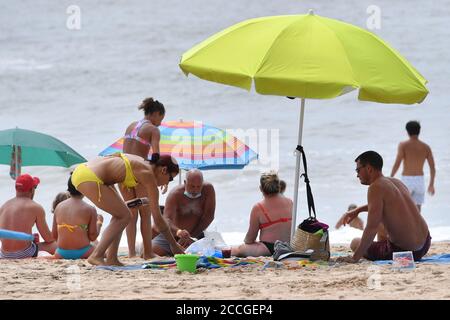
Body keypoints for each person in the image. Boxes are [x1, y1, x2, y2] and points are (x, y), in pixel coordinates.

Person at [70, 153, 184, 266]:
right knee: (124, 216)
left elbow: (113, 158)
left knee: (121, 214)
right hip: (89, 177)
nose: (166, 184)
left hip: (85, 170)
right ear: (163, 170)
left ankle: (112, 258)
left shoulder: (140, 160)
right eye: (170, 179)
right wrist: (174, 246)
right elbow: (158, 220)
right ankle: (97, 255)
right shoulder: (147, 174)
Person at [337, 151, 431, 263]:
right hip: (425, 243)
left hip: (405, 252)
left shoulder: (375, 187)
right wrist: (358, 210)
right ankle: (384, 246)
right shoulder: (395, 182)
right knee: (381, 222)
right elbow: (387, 205)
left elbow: (371, 227)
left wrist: (354, 258)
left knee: (355, 243)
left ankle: (383, 249)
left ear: (368, 168)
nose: (357, 175)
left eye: (358, 170)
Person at [120, 97, 165, 258]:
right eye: (161, 118)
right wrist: (159, 178)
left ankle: (131, 253)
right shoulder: (153, 130)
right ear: (156, 114)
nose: (160, 123)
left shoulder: (130, 126)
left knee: (130, 214)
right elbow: (156, 156)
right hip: (138, 170)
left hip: (122, 170)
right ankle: (147, 252)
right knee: (145, 213)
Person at [152, 169, 216, 256]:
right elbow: (167, 220)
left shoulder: (208, 190)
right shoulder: (175, 194)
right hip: (174, 234)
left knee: (211, 252)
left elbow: (209, 216)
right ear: (185, 183)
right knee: (152, 250)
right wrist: (179, 232)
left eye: (198, 186)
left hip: (196, 234)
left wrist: (191, 236)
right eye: (192, 186)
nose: (195, 190)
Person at [232, 171, 293, 257]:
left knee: (238, 249)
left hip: (270, 248)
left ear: (261, 188)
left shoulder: (258, 207)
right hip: (289, 246)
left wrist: (248, 242)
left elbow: (250, 238)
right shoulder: (290, 202)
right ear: (279, 186)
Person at [0, 174, 56, 259]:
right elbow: (48, 238)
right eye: (35, 187)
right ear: (31, 190)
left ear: (16, 189)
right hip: (24, 253)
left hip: (4, 254)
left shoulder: (4, 206)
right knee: (56, 245)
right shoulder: (35, 207)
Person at [51, 176, 103, 259]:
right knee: (102, 251)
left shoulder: (58, 207)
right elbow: (93, 237)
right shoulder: (90, 209)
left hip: (61, 252)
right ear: (84, 190)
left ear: (68, 189)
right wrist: (99, 223)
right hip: (84, 252)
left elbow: (54, 235)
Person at [390, 120, 436, 212]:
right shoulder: (426, 147)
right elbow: (432, 167)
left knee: (405, 208)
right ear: (419, 131)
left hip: (407, 180)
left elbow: (397, 163)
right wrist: (431, 184)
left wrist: (391, 177)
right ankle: (418, 226)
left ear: (407, 131)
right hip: (420, 180)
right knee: (418, 210)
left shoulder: (403, 145)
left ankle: (405, 226)